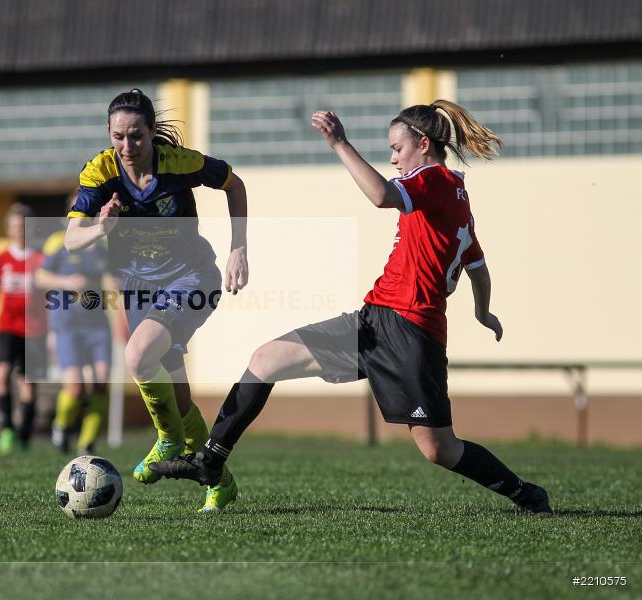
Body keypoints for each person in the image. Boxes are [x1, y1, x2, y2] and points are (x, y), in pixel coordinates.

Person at [152, 100, 552, 516]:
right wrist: (482, 311)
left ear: (424, 144)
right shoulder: (452, 190)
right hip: (374, 320)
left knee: (439, 449)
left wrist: (339, 142)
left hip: (412, 334)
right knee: (266, 359)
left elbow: (380, 196)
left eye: (397, 148)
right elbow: (478, 266)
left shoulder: (431, 179)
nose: (393, 157)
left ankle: (526, 493)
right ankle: (211, 461)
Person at [64, 88, 249, 512]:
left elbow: (233, 184)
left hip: (192, 277)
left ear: (151, 133)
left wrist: (239, 247)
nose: (127, 147)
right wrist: (100, 229)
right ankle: (219, 482)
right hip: (138, 287)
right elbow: (74, 238)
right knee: (178, 397)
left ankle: (166, 440)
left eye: (136, 136)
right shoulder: (100, 172)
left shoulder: (180, 164)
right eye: (118, 137)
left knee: (137, 354)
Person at [36, 197, 114, 456]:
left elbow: (113, 282)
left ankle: (87, 443)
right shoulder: (59, 242)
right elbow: (40, 276)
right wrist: (67, 282)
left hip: (97, 325)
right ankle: (61, 425)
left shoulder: (102, 245)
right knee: (75, 387)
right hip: (67, 324)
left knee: (102, 384)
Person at [0, 203, 47, 455]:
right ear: (8, 229)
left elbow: (47, 296)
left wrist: (51, 330)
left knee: (27, 384)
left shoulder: (39, 259)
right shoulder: (1, 259)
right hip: (8, 326)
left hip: (35, 330)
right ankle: (6, 429)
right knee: (1, 375)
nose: (19, 231)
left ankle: (25, 436)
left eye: (23, 226)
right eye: (15, 226)